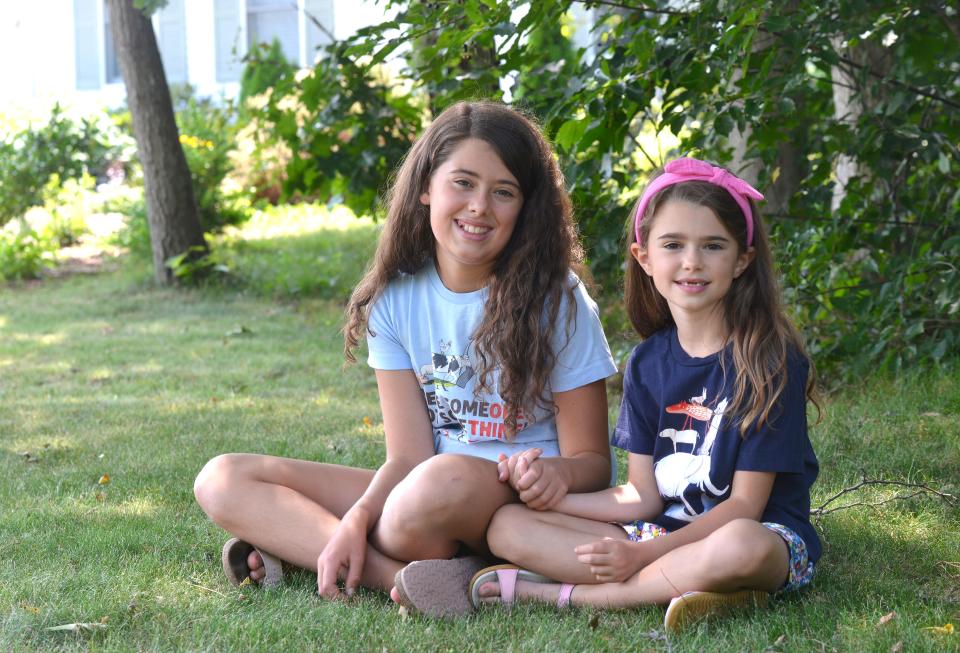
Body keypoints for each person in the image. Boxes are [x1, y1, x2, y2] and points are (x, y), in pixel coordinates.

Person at [192, 101, 618, 617]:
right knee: (222, 479)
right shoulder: (396, 300)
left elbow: (593, 466)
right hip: (421, 489)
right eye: (462, 182)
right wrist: (355, 517)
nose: (480, 205)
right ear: (425, 187)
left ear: (526, 209)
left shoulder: (558, 300)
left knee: (436, 485)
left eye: (503, 191)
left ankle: (305, 550)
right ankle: (412, 577)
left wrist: (558, 475)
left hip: (515, 502)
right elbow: (407, 455)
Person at [470, 157, 821, 632]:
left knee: (741, 545)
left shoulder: (769, 360)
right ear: (644, 257)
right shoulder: (648, 362)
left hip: (759, 537)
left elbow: (744, 507)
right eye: (673, 245)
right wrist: (548, 501)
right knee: (506, 526)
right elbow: (643, 496)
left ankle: (571, 596)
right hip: (660, 533)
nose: (692, 261)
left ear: (742, 260)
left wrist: (638, 554)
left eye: (713, 246)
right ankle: (699, 589)